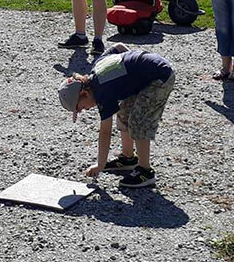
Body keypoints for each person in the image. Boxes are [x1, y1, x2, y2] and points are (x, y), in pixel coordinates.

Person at [58, 42, 176, 189]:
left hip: (159, 77)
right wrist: (133, 64)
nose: (85, 110)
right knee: (123, 111)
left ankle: (145, 171)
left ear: (84, 93)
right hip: (149, 72)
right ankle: (128, 158)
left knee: (139, 121)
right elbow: (119, 47)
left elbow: (105, 132)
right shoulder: (97, 67)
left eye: (81, 107)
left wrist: (100, 165)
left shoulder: (102, 92)